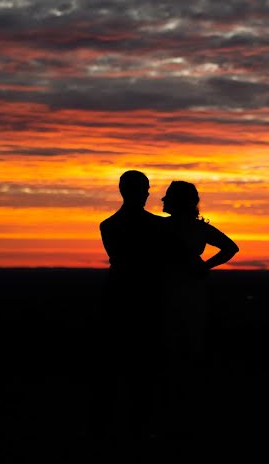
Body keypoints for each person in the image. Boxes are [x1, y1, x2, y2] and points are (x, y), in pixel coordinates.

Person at [95, 170, 182, 443]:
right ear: (140, 191)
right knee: (145, 367)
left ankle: (113, 425)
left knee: (116, 365)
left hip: (118, 296)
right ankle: (139, 427)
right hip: (147, 299)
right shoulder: (159, 226)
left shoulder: (108, 225)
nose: (147, 194)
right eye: (145, 189)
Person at [158, 180, 239, 434]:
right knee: (186, 346)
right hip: (188, 291)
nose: (163, 200)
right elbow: (230, 248)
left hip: (170, 293)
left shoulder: (159, 228)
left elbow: (231, 248)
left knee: (171, 347)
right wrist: (204, 267)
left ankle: (176, 404)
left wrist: (203, 267)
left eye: (168, 196)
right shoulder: (197, 229)